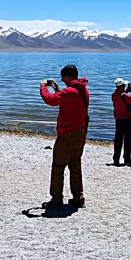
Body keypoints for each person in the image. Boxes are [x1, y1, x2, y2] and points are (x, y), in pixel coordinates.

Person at [39, 64, 89, 209]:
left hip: (67, 134)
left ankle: (56, 199)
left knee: (58, 166)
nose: (62, 80)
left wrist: (43, 86)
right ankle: (78, 197)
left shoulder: (70, 91)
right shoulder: (83, 90)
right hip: (80, 133)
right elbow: (69, 102)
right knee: (75, 165)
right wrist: (57, 90)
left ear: (68, 76)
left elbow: (50, 100)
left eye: (63, 78)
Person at [112, 78, 131, 167]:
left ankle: (116, 159)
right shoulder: (125, 95)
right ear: (122, 86)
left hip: (118, 119)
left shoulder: (113, 95)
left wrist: (126, 91)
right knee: (127, 140)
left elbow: (122, 98)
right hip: (126, 119)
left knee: (118, 140)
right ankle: (127, 159)